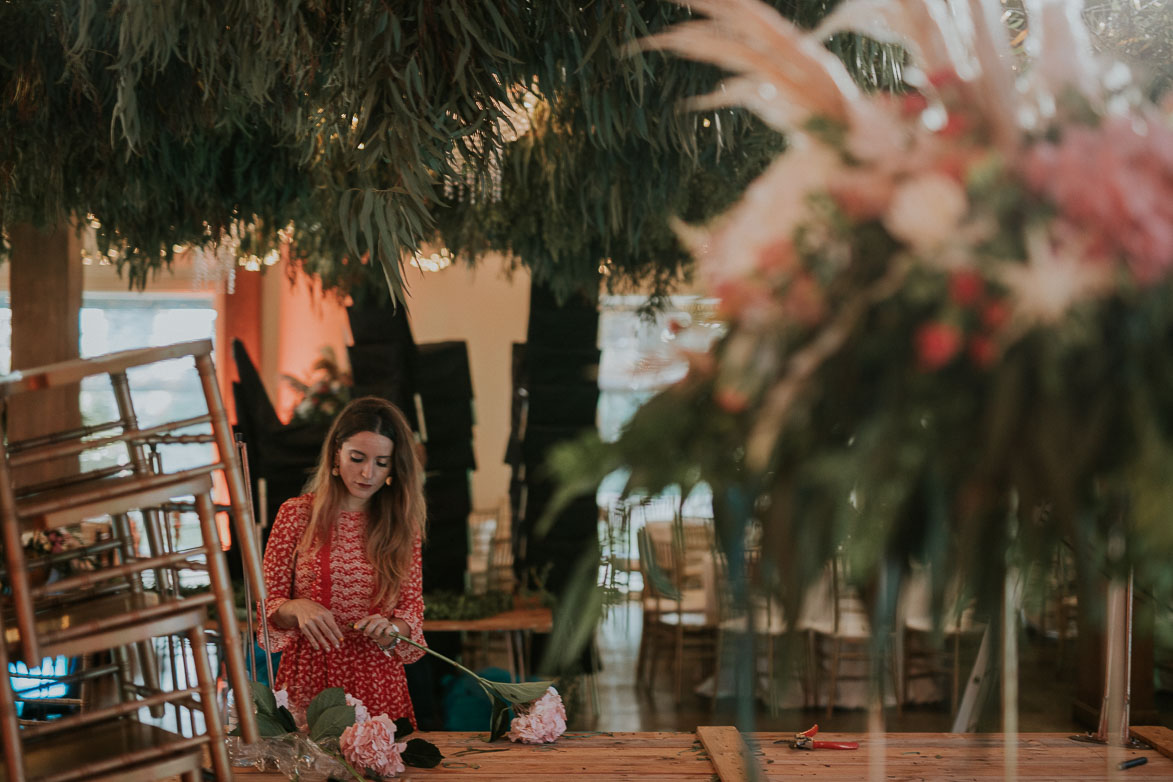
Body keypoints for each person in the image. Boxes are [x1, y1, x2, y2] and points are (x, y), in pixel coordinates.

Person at [260, 396, 427, 725]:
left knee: (374, 769)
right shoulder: (296, 514)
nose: (368, 473)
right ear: (336, 455)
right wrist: (298, 607)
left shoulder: (402, 526)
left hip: (376, 677)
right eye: (357, 458)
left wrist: (391, 630)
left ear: (394, 468)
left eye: (382, 462)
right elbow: (266, 602)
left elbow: (411, 612)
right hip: (309, 673)